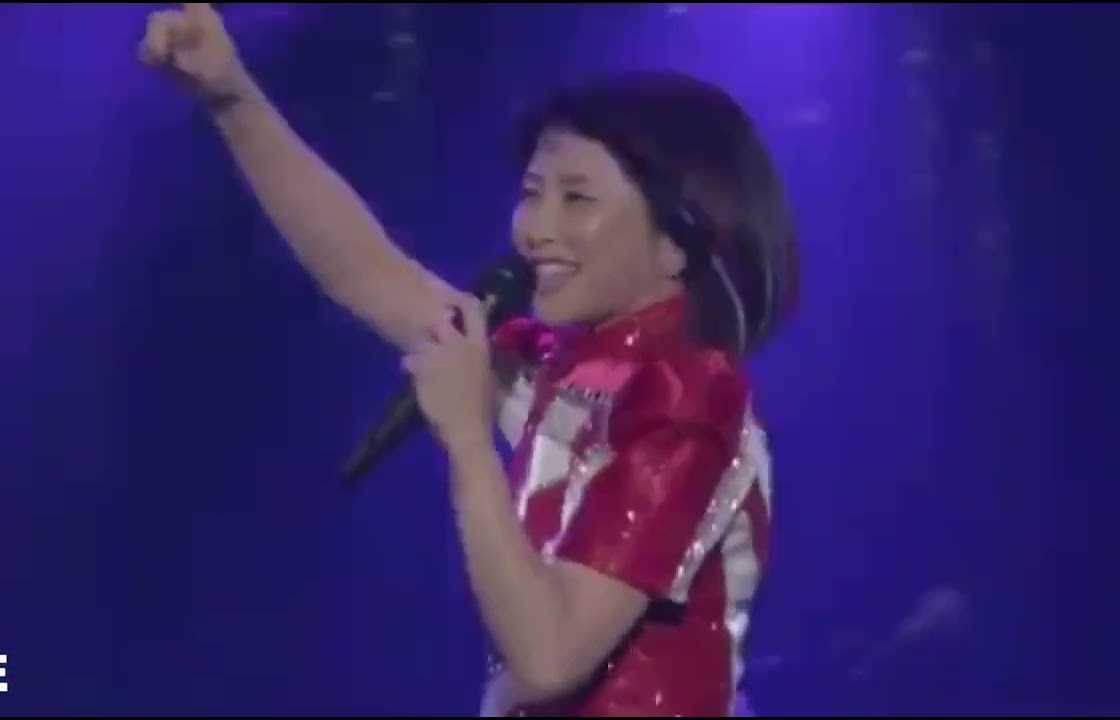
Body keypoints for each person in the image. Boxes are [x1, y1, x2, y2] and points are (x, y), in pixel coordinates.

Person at [140, 4, 799, 716]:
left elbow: (549, 656)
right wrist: (233, 97)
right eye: (532, 194)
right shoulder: (569, 371)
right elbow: (368, 274)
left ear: (678, 242)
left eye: (576, 199)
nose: (535, 230)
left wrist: (465, 438)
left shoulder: (688, 400)